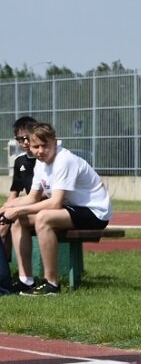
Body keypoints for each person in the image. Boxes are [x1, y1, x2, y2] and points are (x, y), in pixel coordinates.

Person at [0, 123, 112, 295]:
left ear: (54, 142)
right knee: (18, 220)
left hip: (94, 211)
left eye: (45, 145)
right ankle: (25, 280)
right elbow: (32, 197)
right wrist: (7, 207)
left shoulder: (64, 160)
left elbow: (55, 203)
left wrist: (18, 210)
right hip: (72, 208)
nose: (40, 151)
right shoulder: (40, 164)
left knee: (43, 218)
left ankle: (51, 284)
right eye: (36, 146)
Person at [0, 116, 38, 294]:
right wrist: (4, 209)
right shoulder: (20, 162)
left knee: (11, 221)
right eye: (19, 139)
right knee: (2, 223)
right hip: (26, 204)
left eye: (26, 138)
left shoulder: (43, 158)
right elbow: (14, 191)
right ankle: (5, 274)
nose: (24, 142)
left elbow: (38, 196)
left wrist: (10, 209)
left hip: (41, 207)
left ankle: (9, 278)